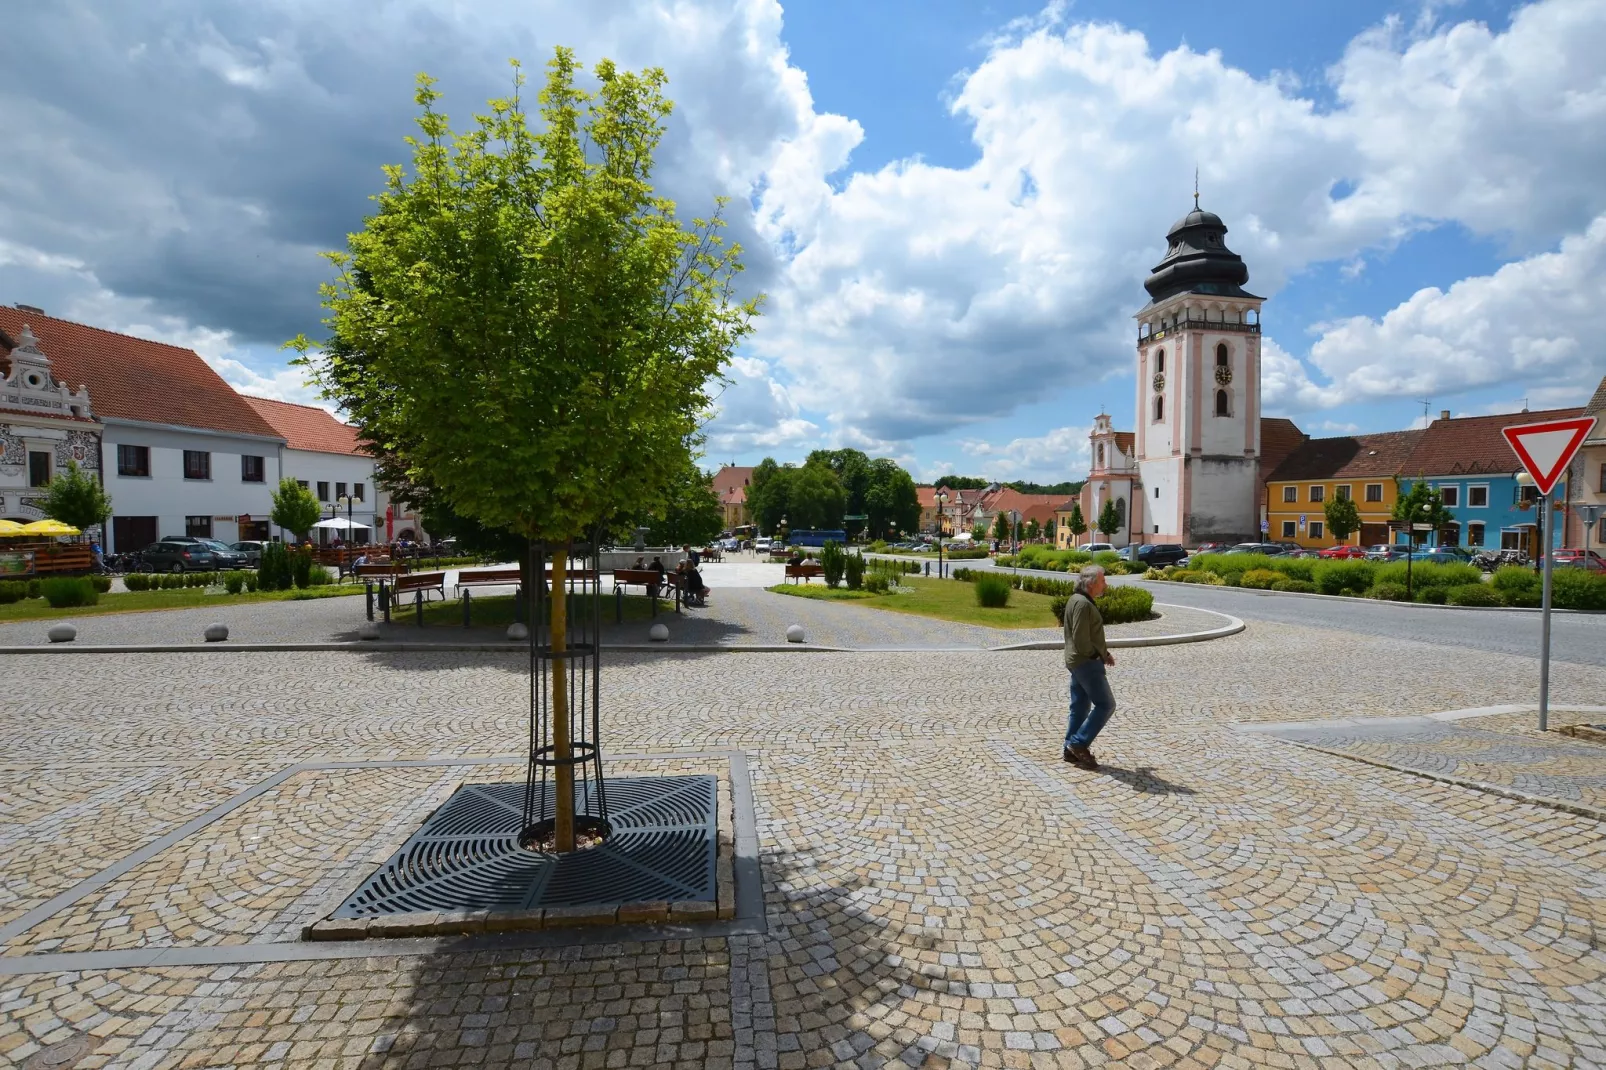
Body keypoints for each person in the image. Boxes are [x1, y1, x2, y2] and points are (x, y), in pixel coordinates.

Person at [1062, 564, 1116, 770]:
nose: (1105, 584)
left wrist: (1105, 653)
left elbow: (1088, 636)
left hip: (1077, 661)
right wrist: (1096, 656)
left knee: (1080, 707)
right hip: (1086, 662)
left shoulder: (1076, 600)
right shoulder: (1083, 604)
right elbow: (1081, 639)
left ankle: (1069, 749)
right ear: (1092, 583)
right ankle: (1079, 742)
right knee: (1106, 705)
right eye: (1102, 580)